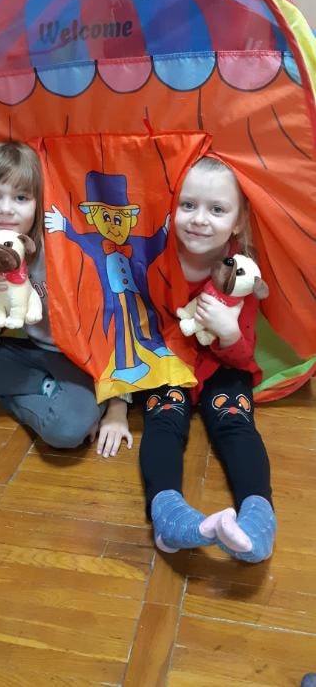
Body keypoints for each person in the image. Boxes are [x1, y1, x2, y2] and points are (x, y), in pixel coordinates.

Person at [0, 141, 132, 457]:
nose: (5, 209)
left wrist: (117, 408)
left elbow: (115, 326)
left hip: (73, 359)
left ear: (38, 203)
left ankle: (5, 391)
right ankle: (42, 388)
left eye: (20, 197)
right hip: (20, 352)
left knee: (68, 428)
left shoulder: (61, 248)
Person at [138, 156, 276, 563]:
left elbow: (243, 354)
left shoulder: (242, 273)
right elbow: (130, 326)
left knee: (235, 422)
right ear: (172, 208)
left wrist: (229, 331)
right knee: (164, 420)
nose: (199, 219)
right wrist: (114, 405)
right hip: (169, 360)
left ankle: (258, 521)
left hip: (223, 366)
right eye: (188, 205)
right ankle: (169, 516)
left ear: (238, 221)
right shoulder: (156, 256)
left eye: (216, 209)